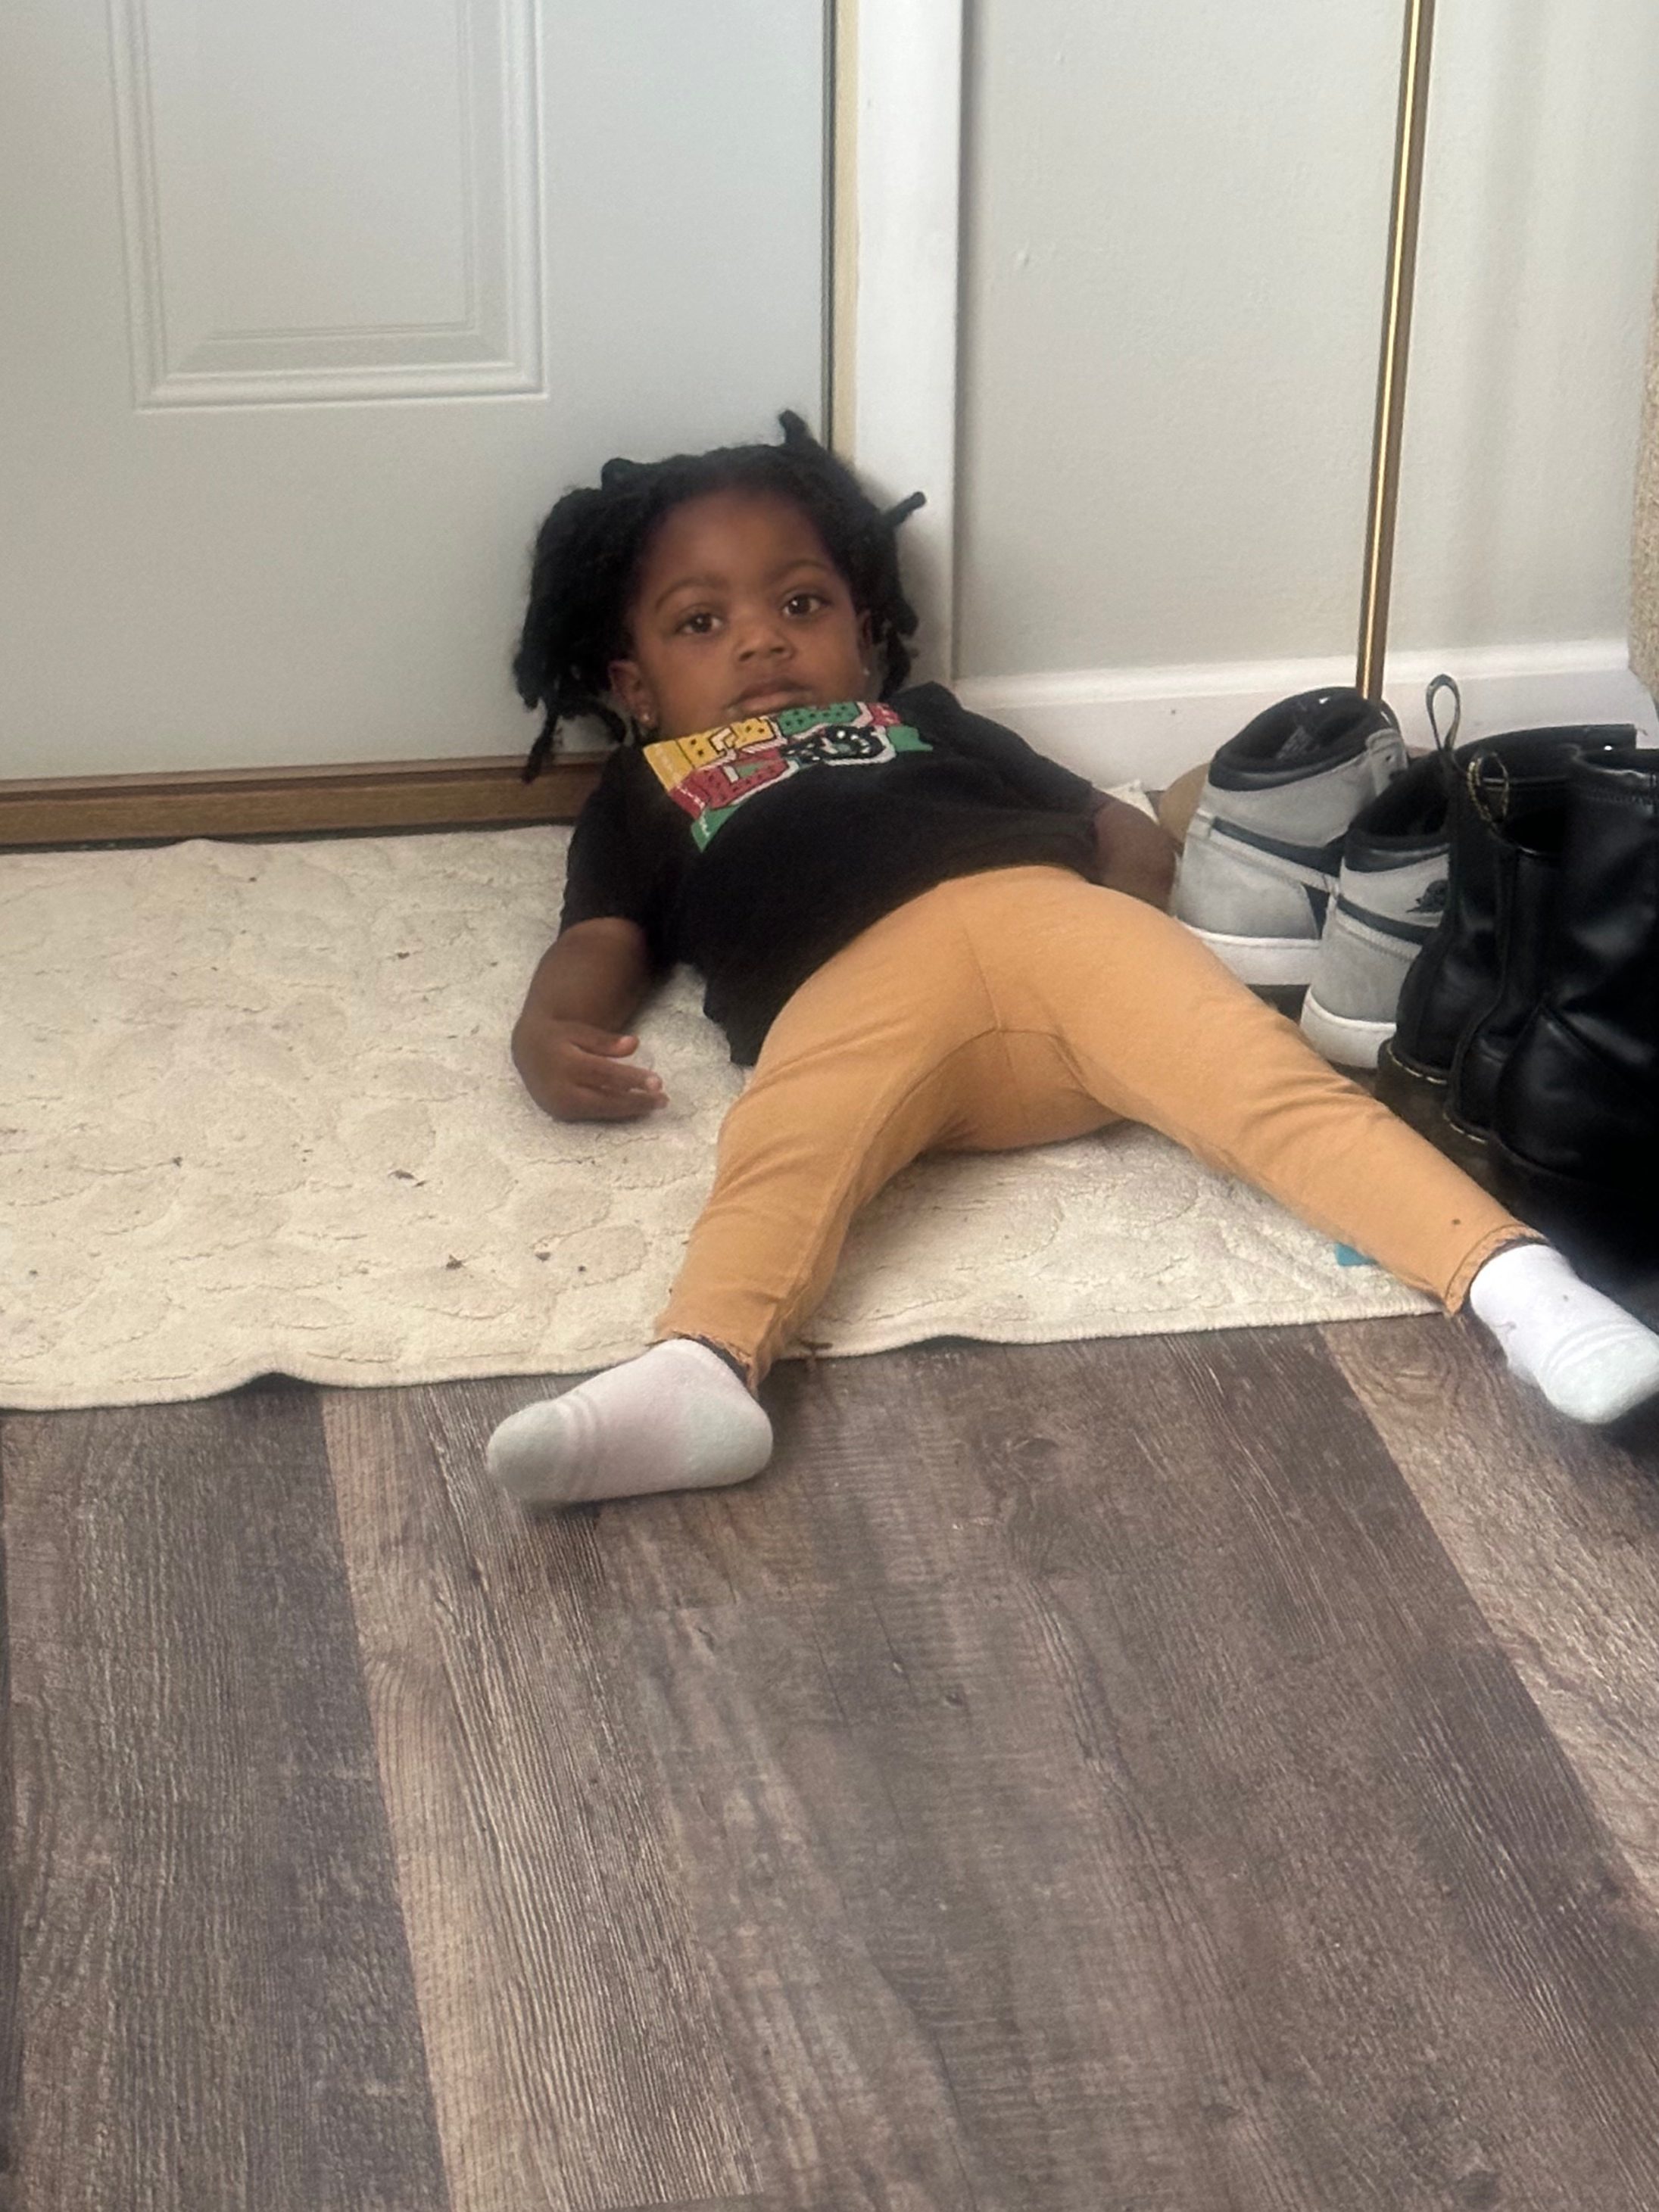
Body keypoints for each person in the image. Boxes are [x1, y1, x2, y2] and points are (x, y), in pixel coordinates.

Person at [491, 413, 1659, 1508]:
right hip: (846, 990)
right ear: (636, 688)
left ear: (864, 635)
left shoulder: (930, 718)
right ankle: (701, 1365)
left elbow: (1105, 822)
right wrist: (548, 1032)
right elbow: (601, 938)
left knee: (1272, 1087)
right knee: (783, 1147)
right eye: (701, 624)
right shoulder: (644, 789)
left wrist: (1149, 903)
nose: (760, 637)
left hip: (1058, 926)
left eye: (802, 603)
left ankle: (1518, 1283)